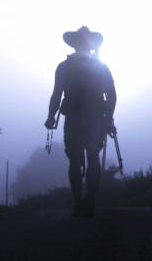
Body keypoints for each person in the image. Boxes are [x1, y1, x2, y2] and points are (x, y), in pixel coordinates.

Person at [46, 26, 117, 217]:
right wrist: (109, 118)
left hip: (75, 120)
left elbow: (56, 94)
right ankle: (88, 201)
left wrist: (51, 116)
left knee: (75, 160)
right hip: (95, 119)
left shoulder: (64, 67)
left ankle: (80, 202)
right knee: (92, 156)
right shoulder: (101, 67)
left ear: (75, 44)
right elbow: (111, 95)